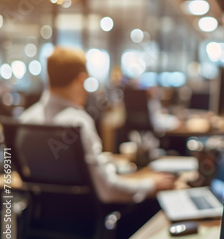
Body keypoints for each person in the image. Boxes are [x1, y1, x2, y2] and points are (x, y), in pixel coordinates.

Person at [20, 47, 176, 203]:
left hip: (40, 217)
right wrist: (150, 185)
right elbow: (107, 189)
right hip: (86, 219)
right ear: (81, 79)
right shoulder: (77, 122)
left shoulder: (25, 121)